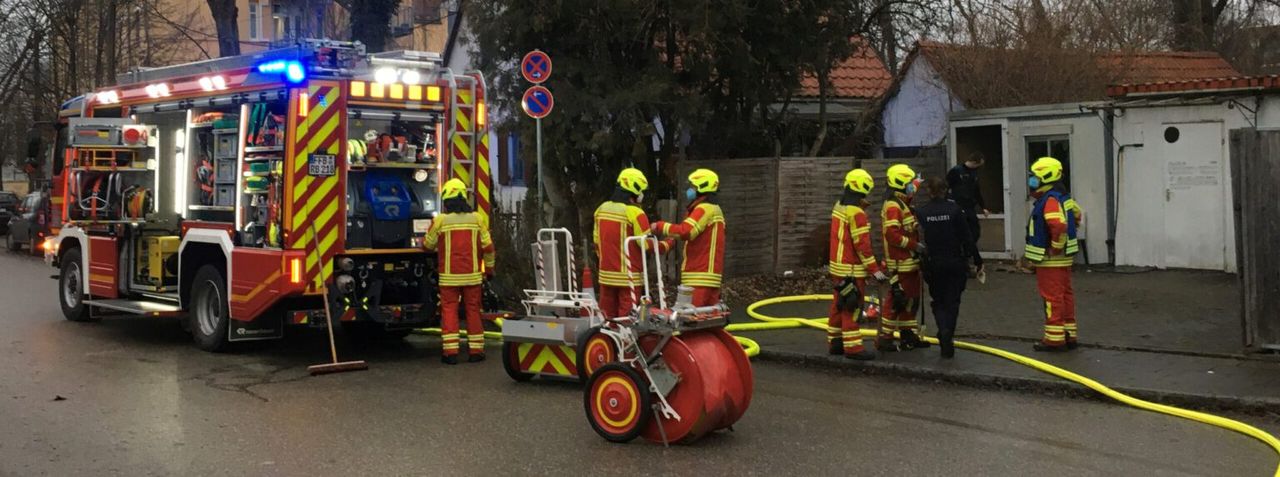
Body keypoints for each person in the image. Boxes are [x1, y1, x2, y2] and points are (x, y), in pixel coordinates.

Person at [423, 178, 496, 365]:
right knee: (473, 310)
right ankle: (476, 351)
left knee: (449, 311)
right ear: (464, 198)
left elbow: (428, 245)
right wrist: (489, 270)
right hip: (472, 277)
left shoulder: (440, 221)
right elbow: (488, 248)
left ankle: (451, 353)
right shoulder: (477, 219)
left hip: (449, 278)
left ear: (446, 201)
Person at [916, 177, 983, 358]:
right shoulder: (955, 210)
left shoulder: (922, 212)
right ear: (946, 190)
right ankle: (948, 333)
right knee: (953, 301)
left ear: (929, 191)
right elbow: (967, 237)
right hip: (955, 262)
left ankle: (942, 328)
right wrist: (977, 260)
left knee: (938, 301)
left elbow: (917, 239)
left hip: (933, 263)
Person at [593, 168, 671, 318]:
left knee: (606, 317)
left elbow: (596, 243)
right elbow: (647, 245)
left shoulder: (601, 209)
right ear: (634, 190)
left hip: (605, 276)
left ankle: (607, 341)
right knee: (628, 318)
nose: (642, 195)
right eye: (642, 191)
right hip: (630, 277)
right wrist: (668, 244)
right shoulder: (636, 213)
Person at [827, 169, 888, 360]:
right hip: (852, 270)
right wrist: (875, 270)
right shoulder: (857, 213)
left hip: (837, 268)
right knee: (852, 307)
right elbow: (862, 246)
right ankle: (853, 349)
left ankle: (835, 343)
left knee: (838, 304)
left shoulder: (839, 206)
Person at [1024, 156, 1083, 352]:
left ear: (1045, 177)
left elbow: (1057, 225)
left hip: (1050, 260)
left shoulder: (1049, 200)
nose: (1031, 181)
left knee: (1051, 298)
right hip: (1064, 259)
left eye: (1034, 177)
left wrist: (1055, 246)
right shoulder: (1062, 197)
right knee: (1065, 296)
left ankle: (1054, 340)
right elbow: (1076, 214)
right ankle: (1069, 335)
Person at [652, 168, 725, 306]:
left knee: (690, 320)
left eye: (692, 186)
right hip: (708, 277)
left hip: (699, 276)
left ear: (702, 187)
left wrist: (660, 226)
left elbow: (686, 232)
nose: (689, 190)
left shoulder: (704, 209)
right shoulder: (714, 209)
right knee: (707, 323)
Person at [878, 163, 929, 351]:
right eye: (909, 183)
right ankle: (885, 338)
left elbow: (910, 191)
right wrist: (914, 245)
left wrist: (916, 181)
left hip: (910, 263)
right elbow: (892, 235)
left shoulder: (901, 202)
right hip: (900, 263)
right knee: (896, 300)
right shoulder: (893, 206)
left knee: (911, 300)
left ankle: (908, 335)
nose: (912, 187)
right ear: (900, 183)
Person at [947, 152, 989, 247]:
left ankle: (968, 250)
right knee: (960, 231)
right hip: (958, 206)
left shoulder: (974, 173)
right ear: (974, 162)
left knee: (975, 231)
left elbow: (976, 191)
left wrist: (983, 207)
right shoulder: (956, 171)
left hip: (969, 206)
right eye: (979, 164)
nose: (980, 167)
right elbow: (947, 188)